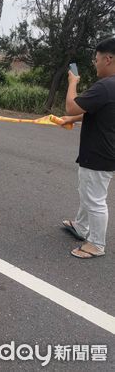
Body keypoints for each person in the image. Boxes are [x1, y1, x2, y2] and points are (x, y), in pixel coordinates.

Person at [61, 37, 115, 258]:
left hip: (98, 153)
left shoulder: (105, 85)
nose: (95, 63)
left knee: (94, 199)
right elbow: (101, 112)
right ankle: (81, 227)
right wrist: (72, 119)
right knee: (87, 192)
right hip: (105, 151)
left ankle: (96, 244)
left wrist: (73, 82)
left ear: (108, 59)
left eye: (97, 59)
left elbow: (72, 105)